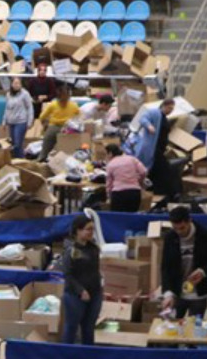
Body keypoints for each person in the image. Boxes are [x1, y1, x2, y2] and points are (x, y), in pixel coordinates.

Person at [161, 206, 207, 319]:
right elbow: (166, 267)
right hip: (177, 292)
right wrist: (168, 294)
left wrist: (203, 271)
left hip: (199, 293)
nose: (179, 232)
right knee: (172, 327)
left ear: (189, 221)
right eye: (175, 228)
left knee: (194, 329)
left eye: (182, 228)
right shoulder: (170, 238)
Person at [61, 215, 102, 345]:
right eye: (88, 229)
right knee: (71, 327)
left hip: (95, 292)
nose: (91, 232)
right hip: (75, 295)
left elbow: (95, 270)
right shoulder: (71, 250)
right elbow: (68, 274)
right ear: (78, 231)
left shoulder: (93, 248)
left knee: (89, 328)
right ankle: (66, 355)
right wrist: (80, 291)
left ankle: (88, 357)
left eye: (92, 229)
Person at [126, 99, 177, 197]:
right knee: (164, 169)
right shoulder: (155, 112)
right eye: (170, 108)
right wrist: (149, 126)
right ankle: (169, 193)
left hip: (159, 149)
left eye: (172, 109)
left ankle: (153, 191)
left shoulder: (164, 117)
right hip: (152, 148)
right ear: (164, 106)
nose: (171, 110)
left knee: (154, 171)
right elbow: (143, 118)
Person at [37, 85, 80, 161]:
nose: (65, 99)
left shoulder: (72, 105)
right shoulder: (54, 105)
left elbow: (42, 117)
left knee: (50, 144)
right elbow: (42, 117)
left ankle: (43, 158)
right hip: (60, 127)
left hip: (64, 128)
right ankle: (42, 158)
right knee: (48, 142)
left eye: (66, 96)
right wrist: (45, 124)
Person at [104, 143, 146, 212]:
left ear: (110, 153)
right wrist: (139, 181)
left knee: (118, 218)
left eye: (106, 154)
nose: (106, 157)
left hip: (118, 194)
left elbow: (109, 184)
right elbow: (143, 171)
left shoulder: (110, 164)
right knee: (132, 217)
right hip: (134, 193)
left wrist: (109, 196)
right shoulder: (132, 159)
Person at [2, 78, 34, 158]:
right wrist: (4, 121)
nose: (16, 85)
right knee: (13, 143)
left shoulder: (25, 94)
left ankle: (21, 160)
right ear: (11, 84)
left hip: (21, 122)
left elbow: (30, 107)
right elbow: (7, 108)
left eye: (18, 83)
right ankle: (17, 160)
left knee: (17, 143)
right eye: (15, 83)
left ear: (21, 85)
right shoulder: (8, 94)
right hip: (11, 122)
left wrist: (30, 121)